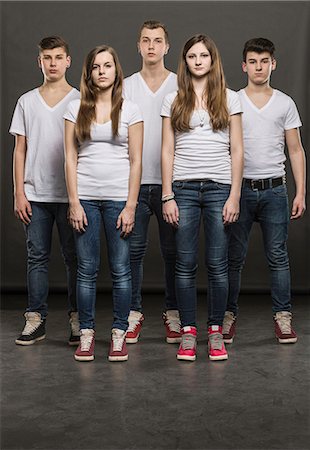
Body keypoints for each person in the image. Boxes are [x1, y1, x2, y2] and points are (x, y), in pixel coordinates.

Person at [161, 34, 243, 361]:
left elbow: (237, 150)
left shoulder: (230, 98)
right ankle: (188, 333)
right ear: (186, 62)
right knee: (185, 263)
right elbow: (167, 150)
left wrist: (235, 195)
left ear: (212, 60)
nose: (198, 61)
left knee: (218, 264)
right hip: (182, 188)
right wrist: (167, 195)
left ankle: (215, 332)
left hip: (220, 189)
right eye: (192, 56)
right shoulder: (173, 99)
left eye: (203, 56)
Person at [224, 38, 306, 344]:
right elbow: (225, 148)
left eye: (265, 61)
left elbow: (295, 150)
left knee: (278, 256)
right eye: (253, 62)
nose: (259, 67)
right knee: (234, 258)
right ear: (245, 66)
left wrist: (300, 192)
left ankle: (283, 318)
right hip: (240, 191)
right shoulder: (233, 100)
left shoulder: (284, 103)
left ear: (274, 64)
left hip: (274, 190)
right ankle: (227, 315)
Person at [64, 45, 143, 362]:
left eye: (107, 65)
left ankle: (119, 334)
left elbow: (136, 161)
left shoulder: (131, 110)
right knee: (86, 270)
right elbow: (70, 158)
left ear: (116, 71)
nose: (101, 71)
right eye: (96, 66)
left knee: (122, 270)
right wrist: (73, 202)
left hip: (118, 201)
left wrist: (131, 206)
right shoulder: (75, 109)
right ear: (89, 72)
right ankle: (86, 333)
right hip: (85, 200)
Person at [10, 36, 80, 347]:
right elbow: (19, 150)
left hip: (70, 196)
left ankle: (78, 319)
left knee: (75, 259)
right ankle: (35, 319)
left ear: (68, 61)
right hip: (35, 195)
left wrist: (80, 196)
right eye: (47, 57)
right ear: (39, 62)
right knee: (36, 257)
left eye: (58, 57)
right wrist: (18, 193)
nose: (52, 63)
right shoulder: (26, 101)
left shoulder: (80, 100)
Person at [123, 20, 181, 344]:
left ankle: (172, 314)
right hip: (135, 184)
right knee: (133, 253)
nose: (151, 47)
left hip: (171, 185)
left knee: (173, 253)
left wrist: (172, 187)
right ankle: (133, 314)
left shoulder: (179, 84)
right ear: (138, 45)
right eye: (145, 40)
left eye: (157, 41)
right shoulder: (126, 85)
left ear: (166, 47)